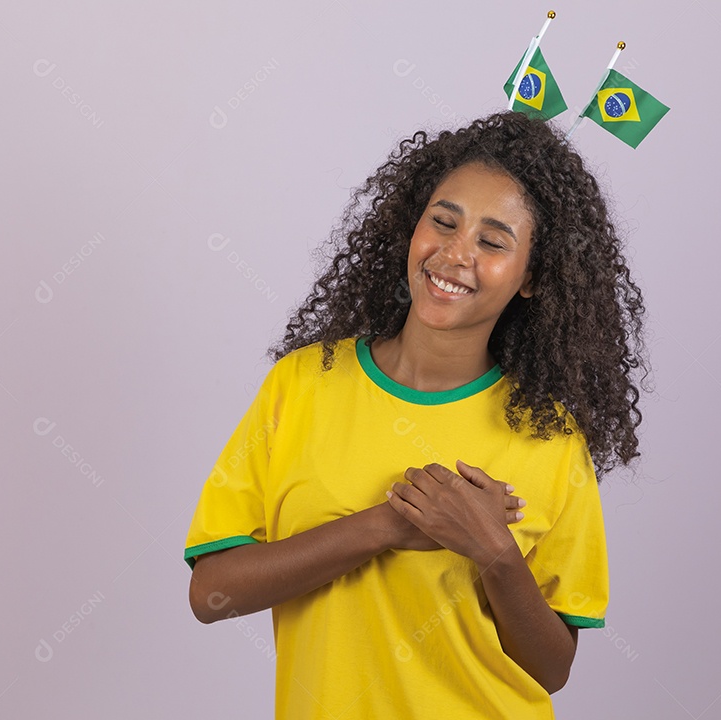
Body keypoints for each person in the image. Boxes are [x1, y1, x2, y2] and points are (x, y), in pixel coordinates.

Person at [183, 109, 650, 719]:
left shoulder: (549, 438)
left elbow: (551, 669)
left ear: (531, 277)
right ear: (413, 227)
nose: (455, 254)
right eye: (443, 222)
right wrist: (386, 527)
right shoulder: (302, 385)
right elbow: (211, 594)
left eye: (492, 241)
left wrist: (494, 553)